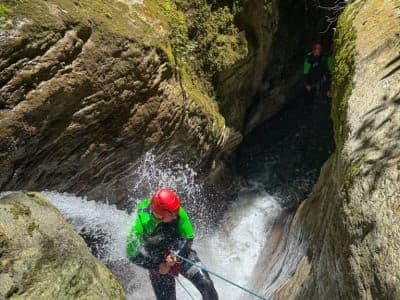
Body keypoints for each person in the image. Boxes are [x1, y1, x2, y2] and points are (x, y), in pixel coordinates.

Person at [127, 188, 218, 300]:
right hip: (157, 260)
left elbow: (188, 237)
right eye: (173, 214)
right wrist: (157, 266)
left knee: (206, 285)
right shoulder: (139, 226)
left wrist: (176, 254)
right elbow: (131, 255)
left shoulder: (177, 211)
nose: (177, 215)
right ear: (161, 214)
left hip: (179, 250)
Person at [303, 42, 328, 108]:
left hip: (319, 78)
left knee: (318, 90)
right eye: (316, 49)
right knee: (310, 93)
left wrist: (324, 75)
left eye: (319, 49)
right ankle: (308, 107)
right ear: (313, 49)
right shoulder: (309, 58)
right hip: (310, 79)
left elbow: (324, 66)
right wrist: (306, 84)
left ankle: (317, 102)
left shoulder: (322, 57)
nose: (317, 50)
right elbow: (305, 72)